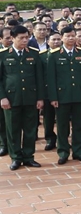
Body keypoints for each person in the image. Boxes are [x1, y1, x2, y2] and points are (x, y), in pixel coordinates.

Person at [0, 25, 45, 170]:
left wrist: (40, 98)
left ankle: (28, 157)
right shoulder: (4, 54)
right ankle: (16, 158)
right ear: (12, 38)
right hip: (11, 98)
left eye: (27, 37)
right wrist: (2, 97)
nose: (25, 40)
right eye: (21, 38)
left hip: (30, 97)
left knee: (30, 128)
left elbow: (39, 78)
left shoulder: (34, 53)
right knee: (13, 130)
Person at [47, 27, 81, 165]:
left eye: (73, 36)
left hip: (79, 94)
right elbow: (51, 79)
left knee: (78, 126)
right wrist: (53, 97)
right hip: (62, 96)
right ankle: (63, 152)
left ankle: (78, 152)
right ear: (62, 38)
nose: (71, 38)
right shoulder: (54, 55)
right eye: (68, 36)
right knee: (62, 126)